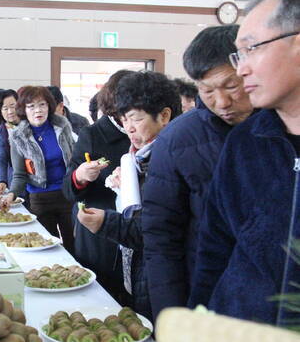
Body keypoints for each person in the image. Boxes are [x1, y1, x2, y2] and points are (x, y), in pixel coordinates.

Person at [189, 0, 300, 325]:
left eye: (251, 49)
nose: (241, 69)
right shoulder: (244, 142)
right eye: (239, 55)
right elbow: (215, 247)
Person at [141, 25, 255, 322]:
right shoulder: (177, 139)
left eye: (231, 86)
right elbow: (161, 238)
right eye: (206, 91)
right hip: (209, 298)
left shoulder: (284, 125)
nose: (221, 102)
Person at [77, 71, 181, 318]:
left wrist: (106, 223)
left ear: (165, 115)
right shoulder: (136, 157)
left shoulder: (172, 158)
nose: (129, 128)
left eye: (136, 118)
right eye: (124, 120)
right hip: (138, 271)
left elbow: (156, 228)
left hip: (163, 275)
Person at [61, 70, 132, 305]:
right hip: (100, 230)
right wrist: (80, 176)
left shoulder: (154, 132)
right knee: (101, 298)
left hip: (138, 228)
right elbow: (68, 189)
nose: (131, 123)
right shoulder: (92, 135)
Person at [4, 86, 75, 253]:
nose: (38, 110)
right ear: (23, 110)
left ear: (49, 106)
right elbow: (20, 174)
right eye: (31, 106)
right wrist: (11, 194)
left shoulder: (62, 126)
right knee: (47, 247)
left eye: (42, 104)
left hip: (67, 194)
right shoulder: (17, 136)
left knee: (73, 245)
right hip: (39, 199)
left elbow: (74, 159)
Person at [0, 89, 20, 195]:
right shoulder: (1, 133)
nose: (10, 111)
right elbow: (0, 159)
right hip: (17, 179)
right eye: (5, 108)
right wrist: (1, 180)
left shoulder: (31, 123)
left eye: (13, 106)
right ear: (0, 111)